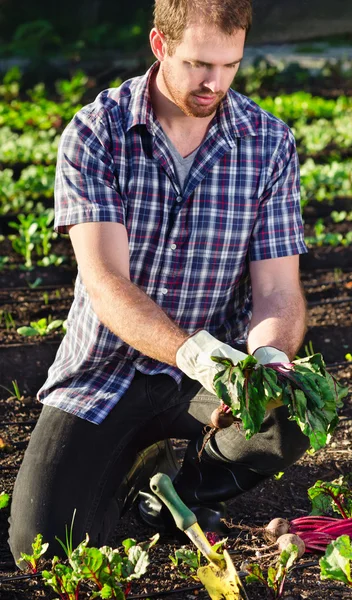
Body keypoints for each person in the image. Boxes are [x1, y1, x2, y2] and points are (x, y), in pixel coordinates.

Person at [8, 0, 309, 564]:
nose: (213, 83)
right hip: (105, 372)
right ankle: (137, 462)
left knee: (294, 405)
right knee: (42, 549)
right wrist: (193, 354)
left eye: (230, 66)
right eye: (198, 64)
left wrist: (264, 357)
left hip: (207, 377)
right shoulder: (98, 133)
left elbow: (278, 289)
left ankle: (167, 498)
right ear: (159, 44)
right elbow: (105, 284)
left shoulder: (268, 143)